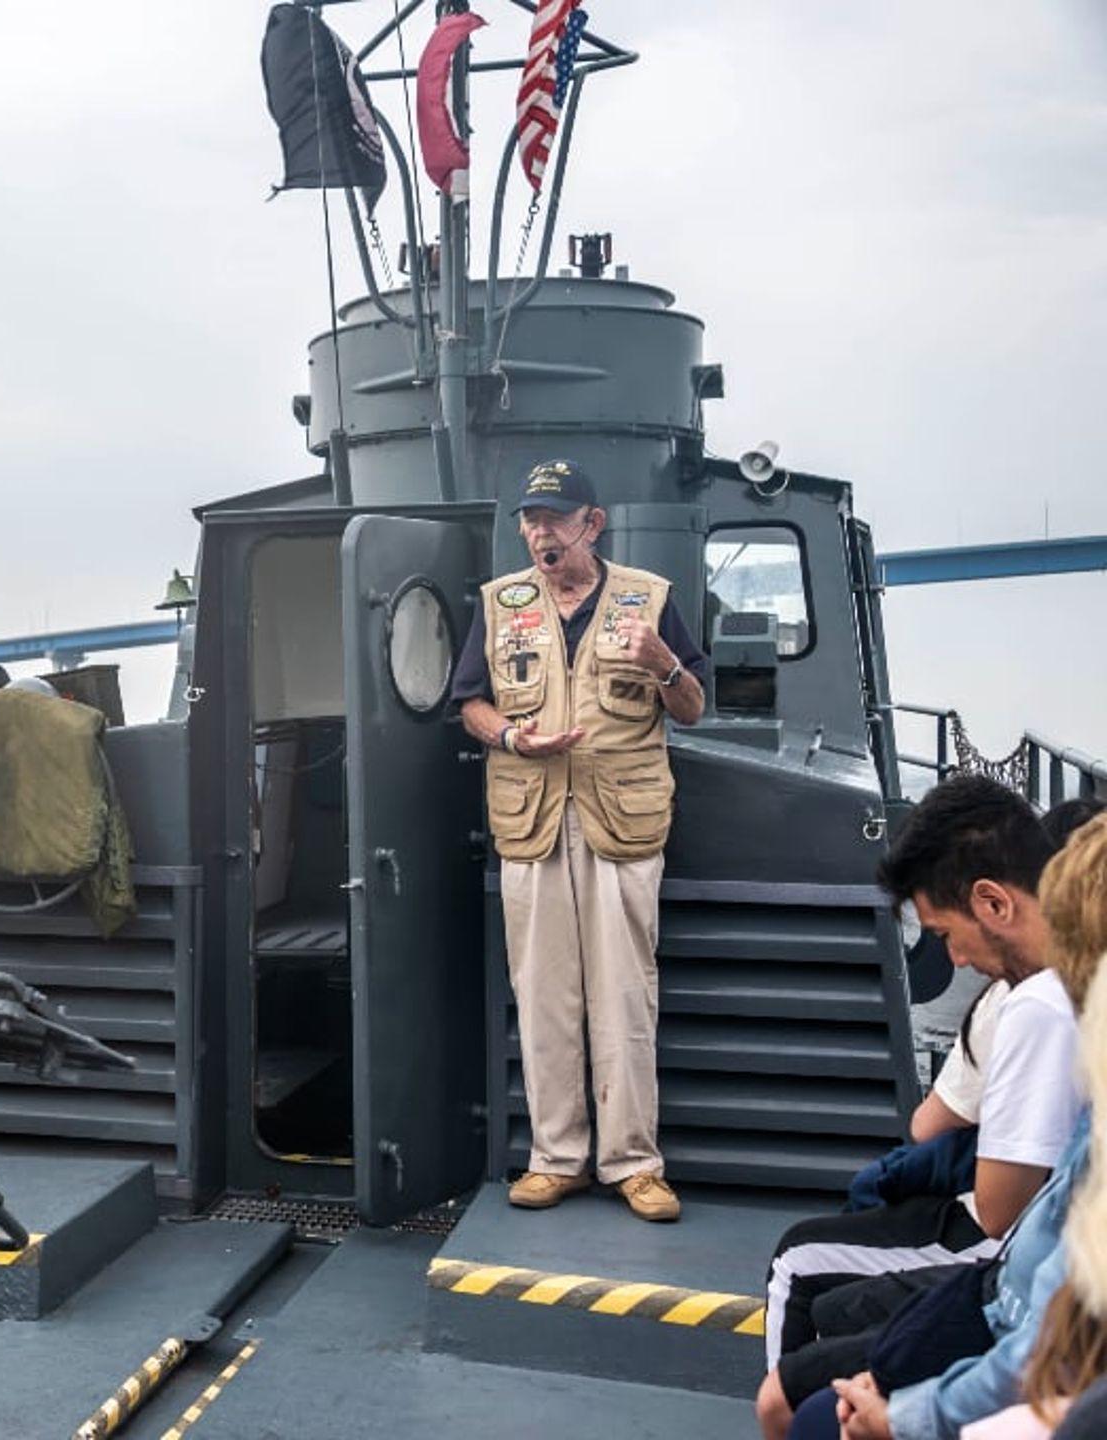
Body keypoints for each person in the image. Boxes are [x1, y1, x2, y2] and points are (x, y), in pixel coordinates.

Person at [757, 778, 1084, 1434]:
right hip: (1032, 1290)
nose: (957, 959)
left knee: (797, 1288)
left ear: (993, 902)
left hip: (1009, 1287)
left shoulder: (1035, 1004)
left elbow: (1000, 1211)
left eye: (948, 936)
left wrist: (909, 1414)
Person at [450, 457, 706, 1220]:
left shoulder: (648, 599)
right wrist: (511, 737)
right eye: (530, 520)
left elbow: (693, 706)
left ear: (591, 525)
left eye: (554, 519)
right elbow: (469, 703)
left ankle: (635, 1165)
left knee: (626, 996)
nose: (540, 533)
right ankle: (555, 1159)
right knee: (543, 998)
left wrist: (664, 665)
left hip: (621, 824)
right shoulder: (500, 605)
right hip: (532, 822)